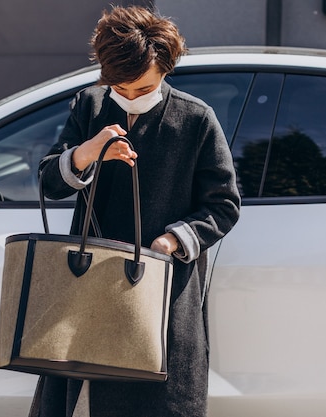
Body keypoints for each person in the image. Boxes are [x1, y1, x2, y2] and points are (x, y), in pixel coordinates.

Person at [32, 5, 241, 417]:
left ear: (165, 69)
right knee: (79, 396)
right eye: (119, 88)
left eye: (142, 87)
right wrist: (87, 152)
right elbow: (48, 183)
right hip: (87, 285)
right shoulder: (90, 105)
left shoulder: (195, 119)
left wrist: (172, 240)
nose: (130, 95)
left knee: (155, 404)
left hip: (161, 289)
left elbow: (224, 205)